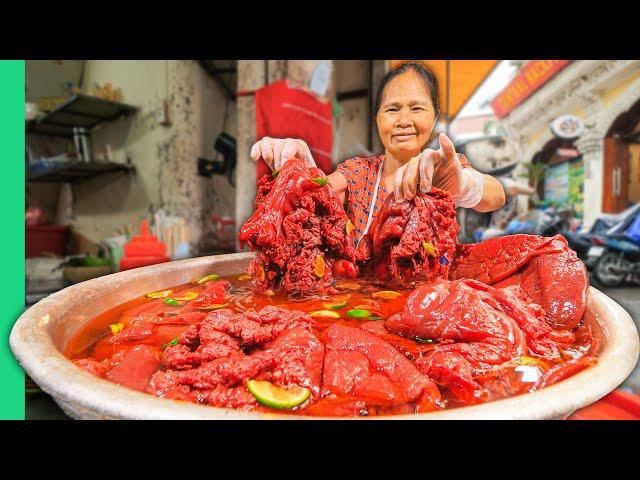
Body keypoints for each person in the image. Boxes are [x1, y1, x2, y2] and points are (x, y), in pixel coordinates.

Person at [250, 62, 505, 244]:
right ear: (377, 119)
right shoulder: (360, 172)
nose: (404, 120)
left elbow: (496, 195)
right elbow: (323, 194)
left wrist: (465, 186)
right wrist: (302, 172)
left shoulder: (444, 167)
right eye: (392, 109)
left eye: (417, 108)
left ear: (435, 117)